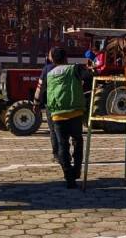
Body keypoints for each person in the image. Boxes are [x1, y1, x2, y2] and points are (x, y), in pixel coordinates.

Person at [39, 46, 92, 188]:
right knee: (78, 141)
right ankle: (77, 170)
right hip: (75, 113)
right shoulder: (74, 69)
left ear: (52, 59)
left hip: (57, 115)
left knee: (62, 145)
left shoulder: (49, 73)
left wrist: (37, 103)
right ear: (66, 58)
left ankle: (69, 177)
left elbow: (42, 92)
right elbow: (89, 77)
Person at [39, 50, 59, 157]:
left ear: (51, 58)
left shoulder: (47, 69)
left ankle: (56, 153)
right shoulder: (69, 69)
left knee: (53, 130)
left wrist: (36, 102)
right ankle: (65, 153)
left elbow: (40, 87)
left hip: (51, 103)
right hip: (66, 103)